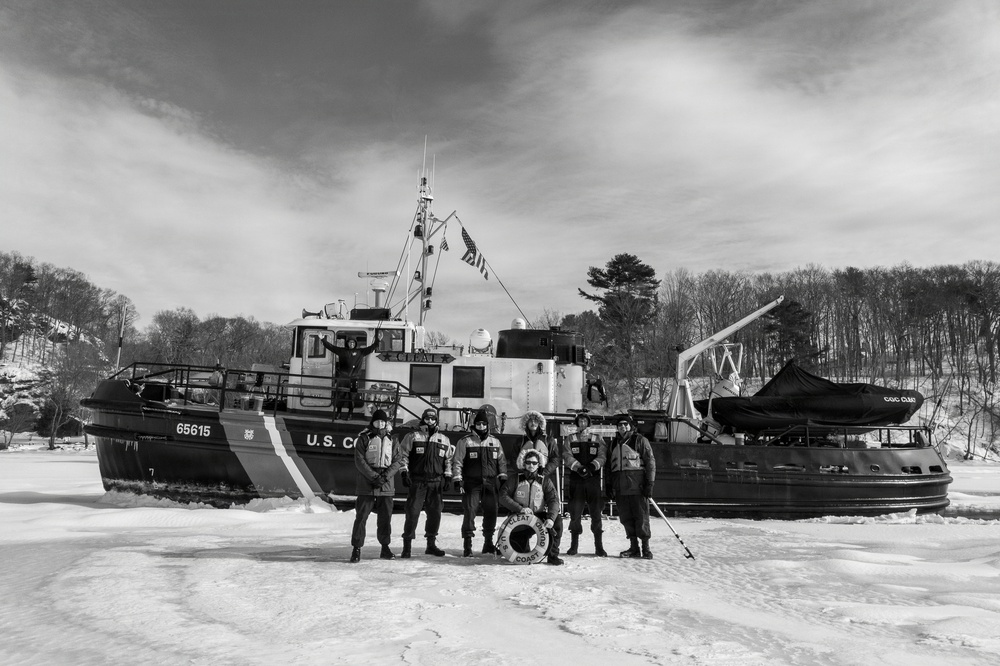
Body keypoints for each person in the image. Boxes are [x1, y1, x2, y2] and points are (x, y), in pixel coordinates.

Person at [399, 408, 455, 557]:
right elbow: (403, 455)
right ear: (423, 419)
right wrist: (404, 473)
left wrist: (448, 477)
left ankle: (431, 544)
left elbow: (448, 460)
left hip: (436, 482)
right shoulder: (413, 436)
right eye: (427, 418)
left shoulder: (444, 439)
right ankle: (407, 546)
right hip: (418, 482)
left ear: (436, 420)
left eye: (432, 419)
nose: (430, 421)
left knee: (435, 513)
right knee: (412, 513)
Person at [452, 408, 509, 556]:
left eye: (484, 424)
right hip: (472, 484)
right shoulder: (465, 441)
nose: (481, 426)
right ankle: (467, 546)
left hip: (490, 484)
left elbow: (501, 461)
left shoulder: (495, 442)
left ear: (488, 425)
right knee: (470, 512)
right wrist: (458, 479)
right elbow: (457, 461)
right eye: (479, 424)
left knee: (491, 512)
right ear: (474, 425)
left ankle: (488, 544)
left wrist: (503, 476)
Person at [349, 409, 403, 563]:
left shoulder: (392, 439)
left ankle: (385, 547)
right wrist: (374, 477)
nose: (380, 424)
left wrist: (385, 477)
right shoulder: (364, 438)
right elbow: (359, 461)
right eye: (377, 421)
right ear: (372, 422)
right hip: (367, 483)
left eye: (383, 421)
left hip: (386, 484)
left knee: (385, 518)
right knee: (361, 517)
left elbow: (397, 461)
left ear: (387, 423)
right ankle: (356, 548)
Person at [499, 450, 563, 565]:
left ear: (539, 464)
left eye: (534, 463)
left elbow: (554, 500)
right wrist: (520, 508)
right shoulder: (515, 479)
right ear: (523, 463)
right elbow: (502, 496)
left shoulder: (545, 481)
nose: (531, 465)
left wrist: (551, 518)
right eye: (528, 462)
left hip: (538, 516)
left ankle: (553, 555)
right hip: (519, 518)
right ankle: (522, 545)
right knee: (521, 550)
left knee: (557, 521)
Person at [606, 413, 656, 559]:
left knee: (641, 518)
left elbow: (650, 462)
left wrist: (650, 483)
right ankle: (634, 548)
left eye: (625, 424)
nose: (622, 427)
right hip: (620, 488)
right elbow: (609, 467)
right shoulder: (613, 443)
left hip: (638, 487)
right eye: (620, 425)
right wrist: (608, 485)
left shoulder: (640, 440)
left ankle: (646, 548)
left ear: (630, 426)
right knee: (626, 518)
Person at [563, 411, 608, 556]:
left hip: (593, 481)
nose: (582, 424)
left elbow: (602, 456)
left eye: (585, 421)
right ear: (577, 423)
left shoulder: (597, 438)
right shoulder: (570, 438)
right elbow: (566, 455)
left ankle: (599, 547)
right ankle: (573, 546)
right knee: (575, 513)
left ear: (589, 423)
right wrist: (578, 467)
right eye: (580, 421)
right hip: (576, 480)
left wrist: (591, 467)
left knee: (596, 513)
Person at [318, 331, 382, 420]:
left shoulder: (361, 352)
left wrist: (378, 340)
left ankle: (350, 414)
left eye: (353, 342)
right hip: (342, 378)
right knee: (340, 396)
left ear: (355, 344)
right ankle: (338, 413)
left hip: (354, 379)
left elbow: (372, 348)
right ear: (347, 343)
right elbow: (331, 347)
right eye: (349, 342)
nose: (351, 344)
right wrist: (323, 339)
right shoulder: (342, 351)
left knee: (352, 398)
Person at [515, 410, 560, 478]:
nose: (533, 423)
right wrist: (524, 472)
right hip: (524, 478)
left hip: (543, 477)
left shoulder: (548, 440)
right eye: (530, 421)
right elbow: (513, 459)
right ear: (526, 423)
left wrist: (544, 472)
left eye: (536, 421)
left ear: (540, 423)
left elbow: (555, 459)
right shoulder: (520, 441)